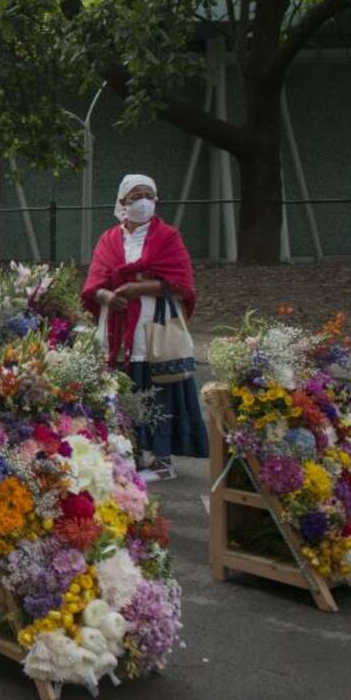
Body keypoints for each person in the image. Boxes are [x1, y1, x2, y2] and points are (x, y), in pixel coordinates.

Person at [81, 174, 208, 481]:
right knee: (121, 392)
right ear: (122, 203)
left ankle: (163, 462)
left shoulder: (168, 237)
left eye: (149, 195)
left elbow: (182, 285)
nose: (144, 201)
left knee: (159, 391)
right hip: (116, 329)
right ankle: (129, 455)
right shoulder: (109, 239)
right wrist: (108, 296)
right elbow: (93, 284)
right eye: (136, 195)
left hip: (155, 330)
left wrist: (139, 289)